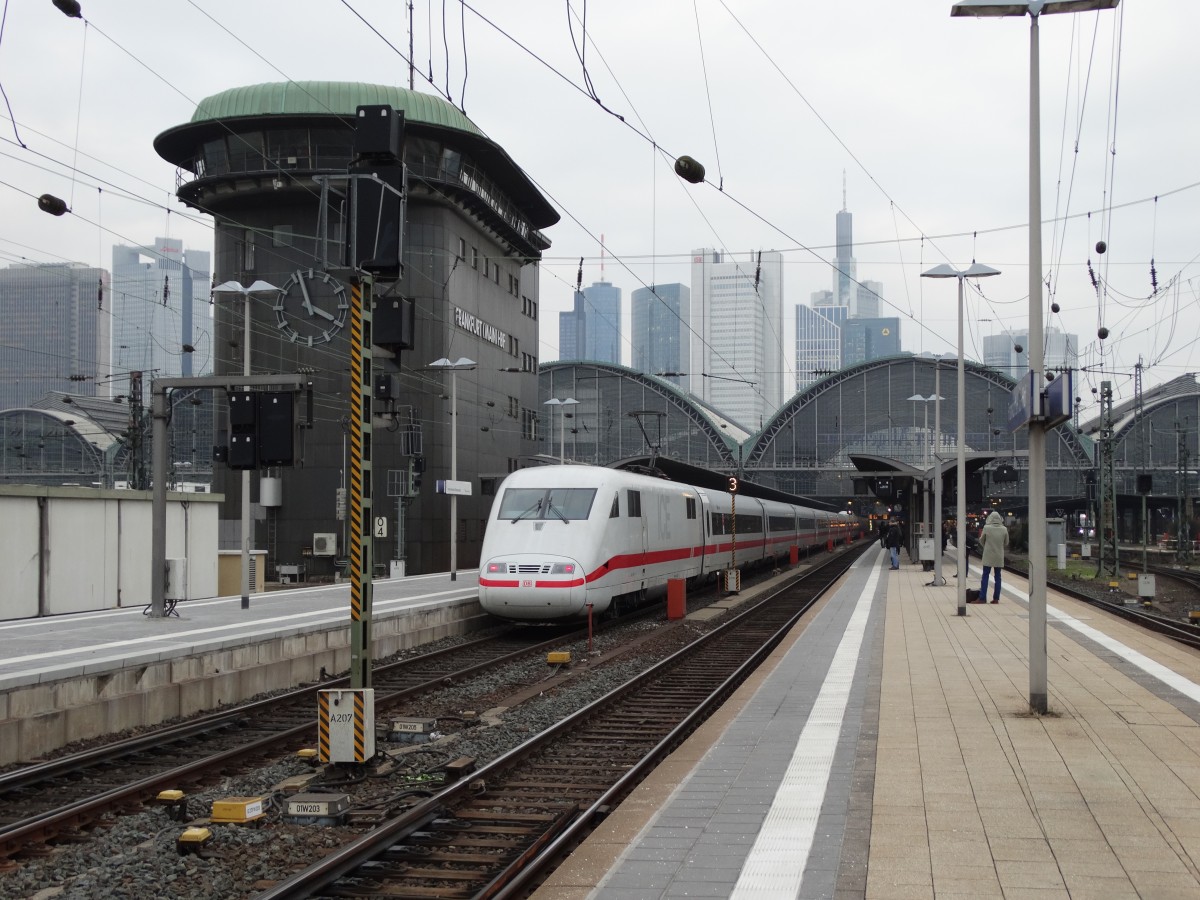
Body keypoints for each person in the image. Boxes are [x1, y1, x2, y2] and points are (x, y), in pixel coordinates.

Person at [977, 511, 1009, 603]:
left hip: (988, 554)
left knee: (985, 575)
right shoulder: (1004, 529)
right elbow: (1006, 543)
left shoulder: (986, 528)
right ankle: (996, 599)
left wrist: (986, 546)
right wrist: (999, 546)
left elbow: (981, 540)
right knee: (998, 577)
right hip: (999, 555)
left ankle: (982, 598)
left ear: (990, 518)